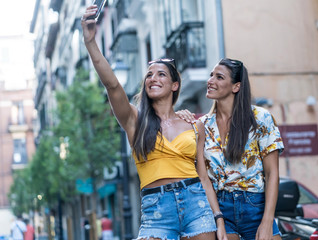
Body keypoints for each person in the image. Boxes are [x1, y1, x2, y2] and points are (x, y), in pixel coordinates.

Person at [81, 5, 226, 240]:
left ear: (174, 85)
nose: (153, 78)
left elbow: (203, 176)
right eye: (149, 74)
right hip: (156, 208)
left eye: (161, 74)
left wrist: (218, 218)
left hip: (196, 204)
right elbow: (113, 86)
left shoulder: (193, 124)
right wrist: (90, 42)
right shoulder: (134, 120)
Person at [177, 58, 284, 240]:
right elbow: (202, 177)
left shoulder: (260, 118)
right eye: (211, 75)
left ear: (236, 87)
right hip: (219, 208)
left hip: (255, 207)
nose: (210, 81)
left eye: (219, 77)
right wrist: (178, 117)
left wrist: (267, 221)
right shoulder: (201, 126)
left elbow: (272, 173)